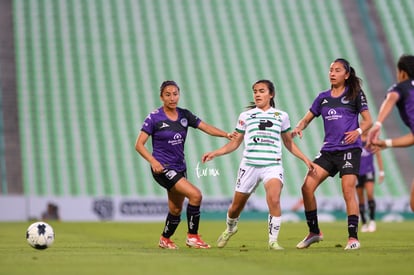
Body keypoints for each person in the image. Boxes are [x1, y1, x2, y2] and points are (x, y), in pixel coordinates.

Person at [202, 79, 314, 250]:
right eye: (255, 91)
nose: (257, 94)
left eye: (261, 91)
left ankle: (273, 241)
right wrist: (215, 152)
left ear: (271, 94)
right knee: (235, 207)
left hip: (272, 165)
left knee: (274, 199)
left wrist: (305, 159)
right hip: (249, 166)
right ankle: (230, 228)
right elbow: (235, 143)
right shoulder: (245, 116)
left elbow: (288, 143)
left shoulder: (281, 116)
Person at [135, 80, 232, 249]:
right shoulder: (154, 118)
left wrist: (226, 134)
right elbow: (139, 145)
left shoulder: (184, 115)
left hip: (180, 167)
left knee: (175, 210)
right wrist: (153, 161)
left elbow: (206, 127)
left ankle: (165, 239)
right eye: (168, 94)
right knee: (196, 195)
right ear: (161, 97)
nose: (172, 98)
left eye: (175, 94)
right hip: (163, 168)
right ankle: (193, 237)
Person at [292, 58, 373, 250]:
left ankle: (353, 238)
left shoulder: (355, 94)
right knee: (306, 187)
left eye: (337, 70)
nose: (332, 73)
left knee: (347, 190)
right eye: (331, 70)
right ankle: (314, 232)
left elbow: (368, 120)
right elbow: (306, 119)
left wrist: (358, 132)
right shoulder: (322, 98)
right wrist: (298, 127)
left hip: (349, 150)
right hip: (328, 151)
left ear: (346, 75)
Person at [367, 54, 414, 212]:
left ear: (402, 73)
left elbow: (392, 98)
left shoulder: (402, 87)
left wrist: (378, 123)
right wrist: (386, 143)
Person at [356, 132, 384, 233]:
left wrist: (381, 172)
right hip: (357, 172)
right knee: (360, 199)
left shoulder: (371, 140)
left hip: (369, 171)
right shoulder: (356, 139)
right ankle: (364, 223)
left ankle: (372, 221)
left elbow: (378, 155)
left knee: (369, 194)